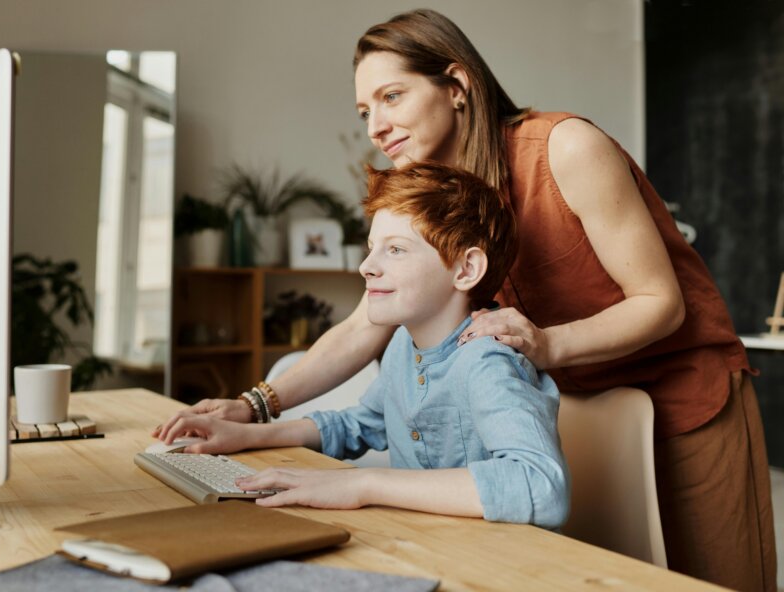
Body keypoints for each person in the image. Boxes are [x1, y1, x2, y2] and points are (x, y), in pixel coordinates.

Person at [156, 9, 775, 590]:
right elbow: (362, 326)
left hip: (685, 397)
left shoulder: (565, 147)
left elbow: (660, 302)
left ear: (456, 84)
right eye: (364, 110)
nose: (376, 126)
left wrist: (546, 343)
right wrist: (253, 404)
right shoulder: (432, 191)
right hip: (576, 405)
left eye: (392, 97)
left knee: (714, 581)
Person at [162, 162, 570, 528]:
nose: (366, 265)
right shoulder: (401, 347)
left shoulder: (487, 361)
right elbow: (361, 425)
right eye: (372, 247)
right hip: (423, 543)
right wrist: (247, 434)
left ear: (466, 269)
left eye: (395, 249)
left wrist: (364, 484)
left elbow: (540, 485)